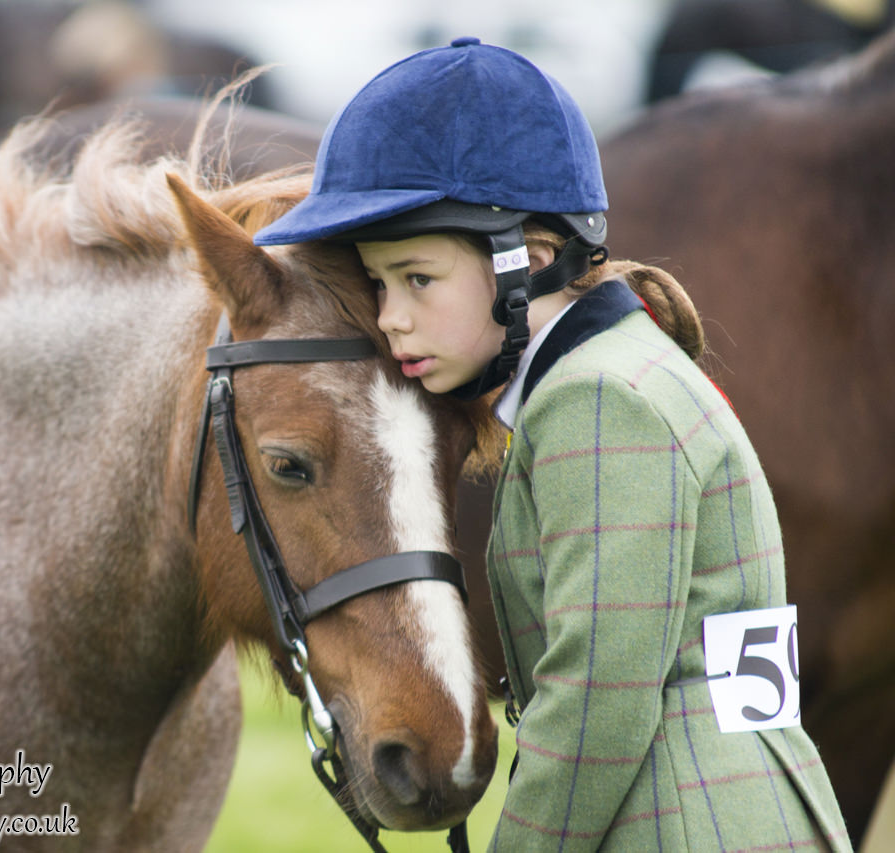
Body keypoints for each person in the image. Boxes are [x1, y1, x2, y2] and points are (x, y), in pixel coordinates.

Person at [253, 37, 852, 851]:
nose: (390, 316)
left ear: (527, 259)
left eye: (417, 279)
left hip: (685, 822)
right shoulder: (623, 370)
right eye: (382, 286)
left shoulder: (595, 400)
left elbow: (596, 697)